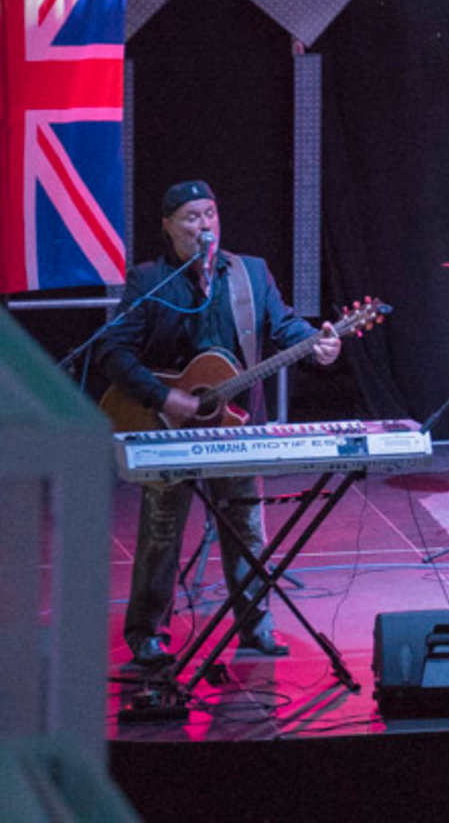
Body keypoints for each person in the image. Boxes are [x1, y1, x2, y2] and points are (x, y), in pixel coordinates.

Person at [97, 180, 341, 667]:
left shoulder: (251, 273)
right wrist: (165, 397)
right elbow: (112, 351)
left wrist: (319, 345)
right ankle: (147, 633)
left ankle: (256, 626)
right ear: (168, 227)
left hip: (235, 421)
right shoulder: (150, 280)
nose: (204, 226)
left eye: (210, 214)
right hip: (168, 425)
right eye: (191, 217)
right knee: (162, 529)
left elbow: (284, 327)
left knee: (246, 526)